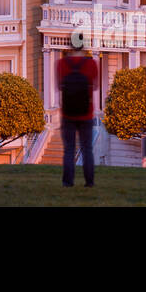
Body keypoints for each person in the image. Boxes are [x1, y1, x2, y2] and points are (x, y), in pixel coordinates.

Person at [56, 43, 98, 188]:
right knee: (87, 149)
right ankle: (89, 182)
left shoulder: (61, 63)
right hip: (87, 113)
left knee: (69, 149)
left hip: (67, 113)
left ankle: (67, 182)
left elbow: (58, 86)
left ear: (71, 45)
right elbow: (96, 85)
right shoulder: (92, 63)